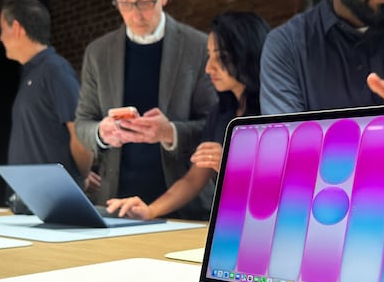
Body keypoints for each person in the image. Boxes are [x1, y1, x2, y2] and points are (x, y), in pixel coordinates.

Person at [75, 0, 218, 220]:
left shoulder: (197, 47)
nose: (134, 14)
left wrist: (170, 132)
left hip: (183, 206)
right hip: (117, 203)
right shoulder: (98, 53)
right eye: (124, 3)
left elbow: (213, 127)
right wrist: (101, 133)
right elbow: (82, 123)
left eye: (143, 2)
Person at [106, 11, 270, 219]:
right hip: (229, 223)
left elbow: (287, 183)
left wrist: (236, 165)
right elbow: (194, 179)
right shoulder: (220, 113)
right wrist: (149, 210)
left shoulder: (274, 111)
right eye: (209, 55)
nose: (209, 67)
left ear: (247, 53)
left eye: (221, 57)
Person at [0, 0, 92, 194]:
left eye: (2, 29)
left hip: (52, 200)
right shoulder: (32, 73)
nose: (0, 38)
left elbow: (81, 135)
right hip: (29, 200)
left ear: (16, 27)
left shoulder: (55, 69)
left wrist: (80, 175)